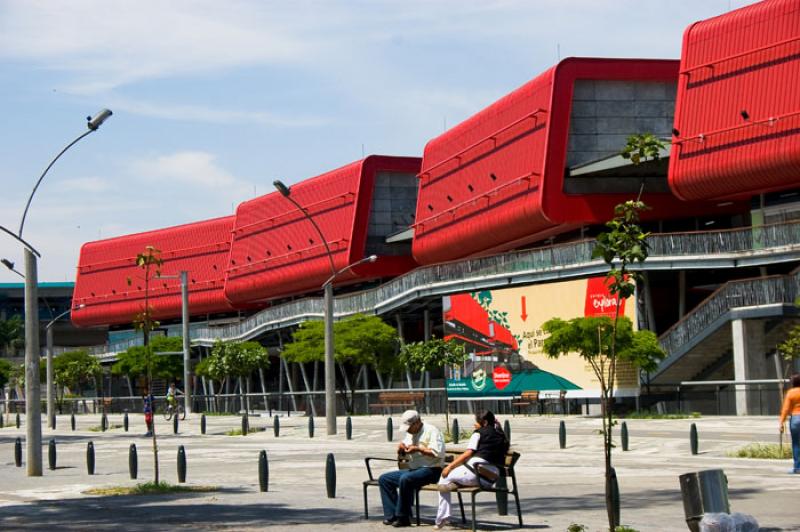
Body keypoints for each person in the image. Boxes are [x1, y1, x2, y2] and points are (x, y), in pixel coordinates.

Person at [434, 410, 510, 529]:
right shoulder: (501, 434)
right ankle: (456, 483)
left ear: (484, 422)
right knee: (454, 478)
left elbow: (468, 453)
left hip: (474, 473)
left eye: (477, 422)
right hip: (491, 478)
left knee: (443, 478)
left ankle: (442, 517)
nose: (475, 424)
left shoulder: (479, 433)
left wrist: (449, 467)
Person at [379, 410, 445, 527]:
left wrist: (419, 449)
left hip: (432, 469)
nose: (408, 430)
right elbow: (404, 447)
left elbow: (437, 453)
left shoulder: (432, 431)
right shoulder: (410, 433)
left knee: (406, 478)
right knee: (384, 479)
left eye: (409, 427)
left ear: (417, 422)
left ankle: (403, 517)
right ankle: (391, 515)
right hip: (415, 469)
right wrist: (401, 448)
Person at [779, 373, 800, 474]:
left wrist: (781, 422)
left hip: (795, 418)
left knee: (796, 444)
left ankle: (797, 468)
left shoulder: (791, 393)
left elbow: (786, 409)